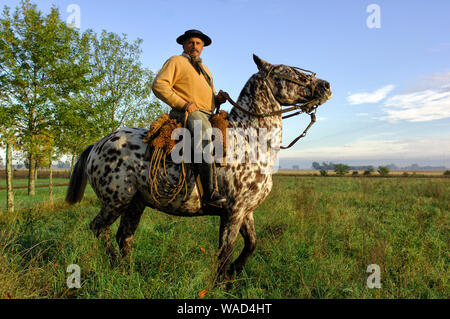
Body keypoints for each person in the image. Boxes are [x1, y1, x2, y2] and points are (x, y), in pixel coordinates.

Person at [152, 29, 227, 206]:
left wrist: (218, 99)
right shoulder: (176, 61)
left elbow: (209, 97)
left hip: (206, 112)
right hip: (186, 112)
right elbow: (159, 85)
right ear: (184, 45)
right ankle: (209, 194)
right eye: (191, 42)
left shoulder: (205, 69)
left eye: (198, 43)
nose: (194, 46)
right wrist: (184, 104)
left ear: (202, 47)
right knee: (206, 135)